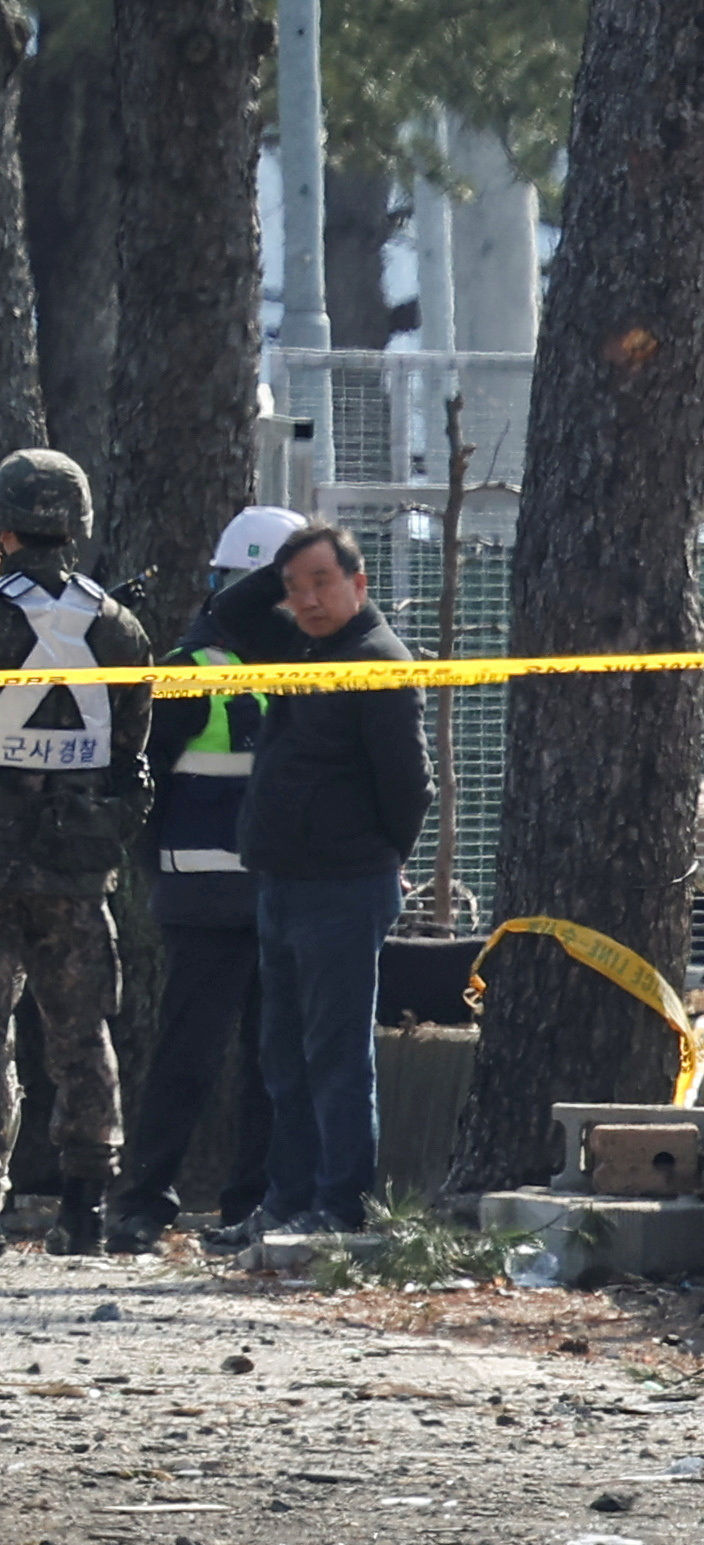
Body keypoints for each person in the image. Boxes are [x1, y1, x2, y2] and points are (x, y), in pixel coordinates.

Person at [116, 502, 304, 1250]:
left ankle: (234, 1202)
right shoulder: (191, 672)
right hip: (210, 897)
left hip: (250, 894)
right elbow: (144, 783)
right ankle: (148, 1200)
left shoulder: (294, 665)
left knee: (257, 1060)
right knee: (197, 1057)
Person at [232, 518, 422, 1239]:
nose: (306, 598)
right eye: (294, 587)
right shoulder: (301, 647)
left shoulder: (376, 659)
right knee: (282, 1057)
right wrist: (279, 560)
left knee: (336, 1058)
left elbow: (410, 786)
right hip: (282, 882)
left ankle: (338, 1208)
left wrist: (378, 859)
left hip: (344, 888)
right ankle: (286, 1200)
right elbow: (231, 615)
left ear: (359, 583)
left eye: (321, 581)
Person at [0, 449, 151, 1251]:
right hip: (77, 866)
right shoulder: (118, 627)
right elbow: (132, 751)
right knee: (80, 1033)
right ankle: (84, 1211)